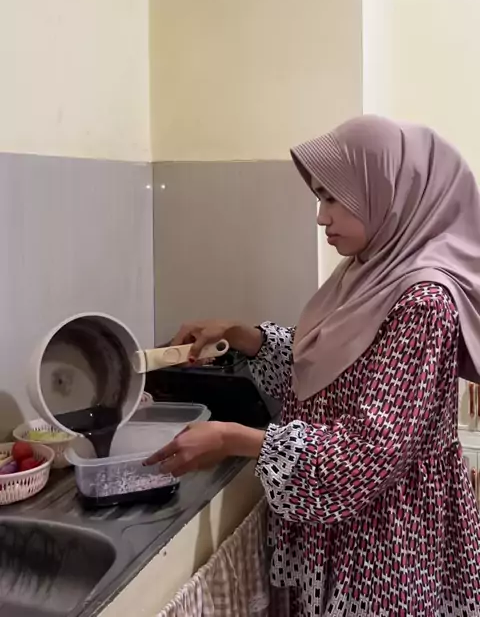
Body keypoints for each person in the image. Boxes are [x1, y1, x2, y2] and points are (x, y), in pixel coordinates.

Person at [145, 115, 480, 617]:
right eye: (319, 198)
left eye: (333, 199)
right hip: (342, 529)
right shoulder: (365, 272)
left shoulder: (423, 301)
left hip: (386, 543)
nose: (322, 217)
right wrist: (245, 336)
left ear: (388, 193)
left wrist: (235, 439)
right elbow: (331, 376)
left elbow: (368, 452)